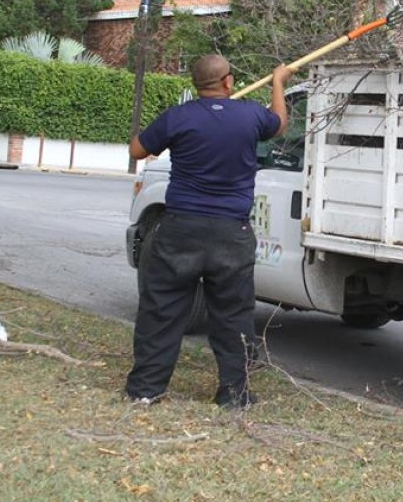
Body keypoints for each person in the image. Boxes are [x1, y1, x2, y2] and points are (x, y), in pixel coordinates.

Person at [125, 55, 294, 409]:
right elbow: (279, 123)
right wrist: (278, 81)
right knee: (233, 315)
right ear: (228, 82)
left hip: (180, 229)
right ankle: (234, 395)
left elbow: (138, 149)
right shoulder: (249, 115)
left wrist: (156, 127)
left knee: (162, 308)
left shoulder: (179, 117)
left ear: (197, 84)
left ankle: (145, 389)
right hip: (231, 233)